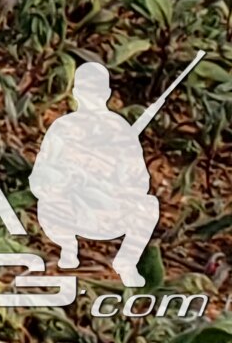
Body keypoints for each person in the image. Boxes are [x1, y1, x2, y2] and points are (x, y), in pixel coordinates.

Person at [29, 62, 161, 285]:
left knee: (148, 205)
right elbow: (39, 177)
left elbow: (140, 183)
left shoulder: (120, 130)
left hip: (106, 213)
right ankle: (68, 249)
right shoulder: (63, 127)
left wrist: (114, 180)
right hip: (67, 211)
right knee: (48, 201)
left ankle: (126, 263)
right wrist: (67, 179)